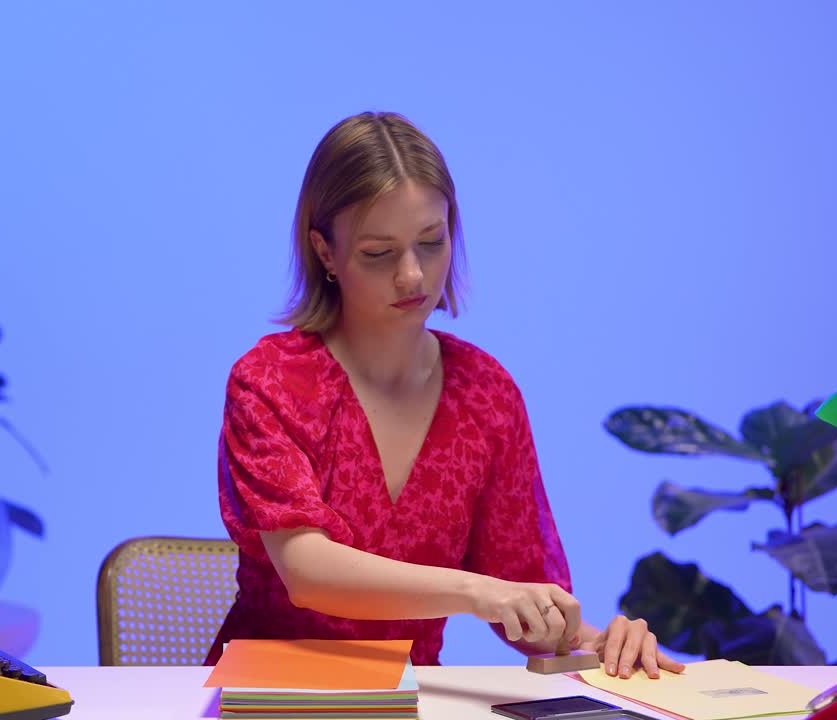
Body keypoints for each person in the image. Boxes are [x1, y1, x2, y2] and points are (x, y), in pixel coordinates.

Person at [205, 111, 684, 680]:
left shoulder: (485, 394)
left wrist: (606, 642)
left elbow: (525, 605)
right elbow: (307, 571)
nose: (413, 276)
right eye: (378, 254)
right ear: (325, 253)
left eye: (432, 243)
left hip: (413, 702)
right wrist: (478, 593)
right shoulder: (270, 380)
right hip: (270, 701)